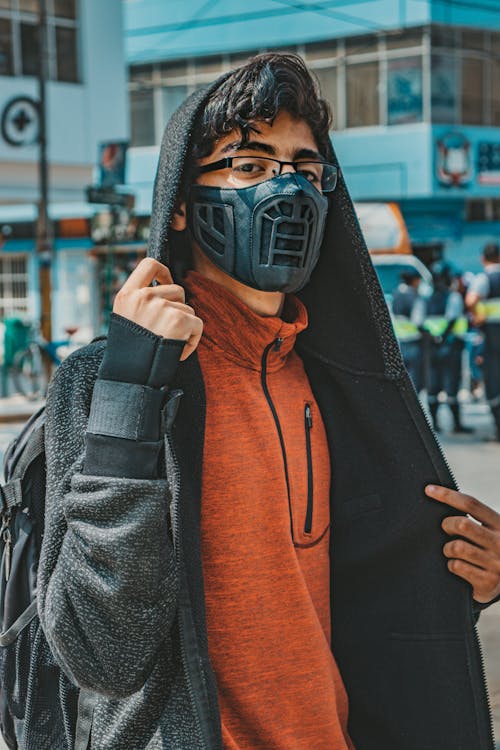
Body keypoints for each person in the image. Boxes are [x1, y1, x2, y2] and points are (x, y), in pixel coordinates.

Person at [35, 55, 500, 750]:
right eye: (249, 165)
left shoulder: (339, 383)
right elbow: (102, 656)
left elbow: (378, 605)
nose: (285, 188)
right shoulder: (107, 382)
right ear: (184, 204)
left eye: (304, 169)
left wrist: (469, 580)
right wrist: (130, 393)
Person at [424, 260, 472, 433]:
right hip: (450, 347)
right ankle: (456, 424)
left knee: (433, 385)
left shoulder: (426, 298)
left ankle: (434, 424)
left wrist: (434, 338)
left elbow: (420, 322)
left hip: (432, 349)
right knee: (451, 385)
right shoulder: (453, 297)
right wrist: (443, 337)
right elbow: (452, 319)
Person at [466, 242, 500, 440]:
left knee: (494, 380)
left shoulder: (484, 279)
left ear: (483, 259)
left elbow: (471, 301)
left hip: (494, 338)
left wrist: (478, 316)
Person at [391, 268, 426, 392]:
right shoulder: (415, 297)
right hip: (414, 344)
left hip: (400, 344)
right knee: (415, 383)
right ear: (415, 281)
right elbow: (418, 321)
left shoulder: (395, 295)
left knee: (402, 384)